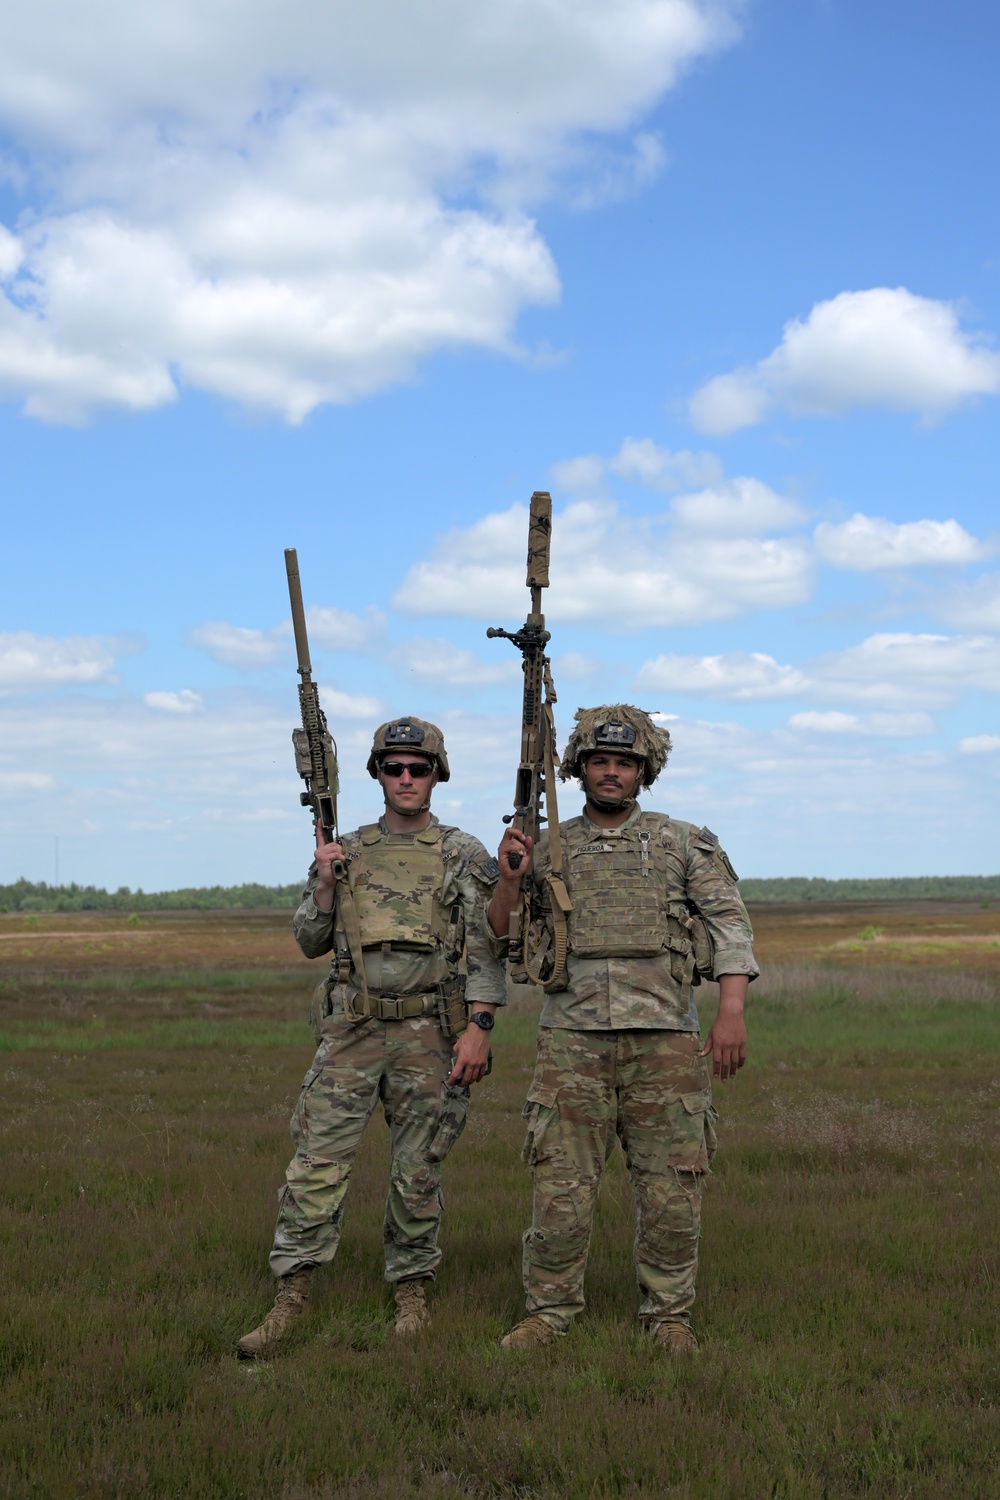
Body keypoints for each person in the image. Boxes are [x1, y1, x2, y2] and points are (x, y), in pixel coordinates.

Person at [487, 704, 758, 1353]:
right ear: (580, 769)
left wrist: (730, 1011)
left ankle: (669, 1316)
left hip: (664, 1039)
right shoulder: (548, 846)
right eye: (600, 761)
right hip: (572, 1040)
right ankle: (547, 1313)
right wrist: (510, 874)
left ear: (644, 770)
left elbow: (729, 927)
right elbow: (500, 931)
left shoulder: (683, 842)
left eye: (625, 762)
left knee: (672, 1185)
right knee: (560, 1185)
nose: (612, 773)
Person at [238, 717, 505, 1357]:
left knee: (417, 1170)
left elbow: (492, 946)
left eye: (419, 768)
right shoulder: (346, 849)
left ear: (438, 774)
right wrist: (326, 883)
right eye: (394, 768)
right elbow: (308, 940)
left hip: (431, 1035)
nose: (406, 779)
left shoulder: (463, 853)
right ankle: (291, 1296)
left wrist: (480, 1026)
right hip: (352, 1031)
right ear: (377, 775)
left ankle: (411, 1293)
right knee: (316, 1165)